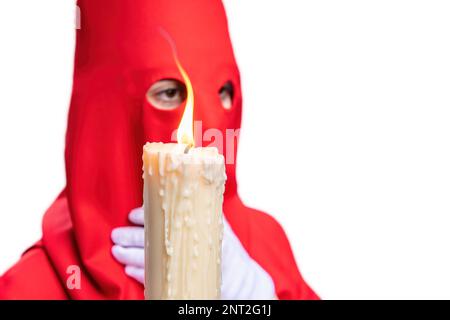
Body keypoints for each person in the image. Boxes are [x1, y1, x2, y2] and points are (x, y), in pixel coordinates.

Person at [0, 0, 318, 300]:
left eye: (223, 91)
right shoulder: (32, 287)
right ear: (104, 113)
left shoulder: (265, 251)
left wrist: (250, 295)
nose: (204, 125)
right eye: (168, 91)